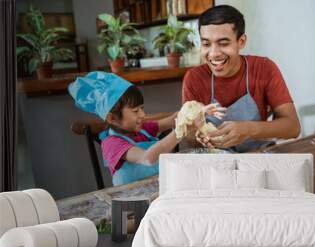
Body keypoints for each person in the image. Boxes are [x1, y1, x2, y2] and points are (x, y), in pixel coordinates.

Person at [182, 5, 301, 152]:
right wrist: (198, 134)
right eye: (206, 44)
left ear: (241, 42)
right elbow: (190, 137)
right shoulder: (193, 78)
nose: (213, 54)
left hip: (258, 155)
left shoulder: (264, 68)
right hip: (216, 161)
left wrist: (248, 129)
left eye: (223, 43)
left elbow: (293, 127)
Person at [69, 71, 221, 186]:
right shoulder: (111, 144)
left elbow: (171, 120)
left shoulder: (142, 129)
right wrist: (181, 130)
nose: (143, 114)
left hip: (156, 190)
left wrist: (194, 111)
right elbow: (148, 158)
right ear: (111, 118)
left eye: (142, 108)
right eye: (135, 111)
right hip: (130, 204)